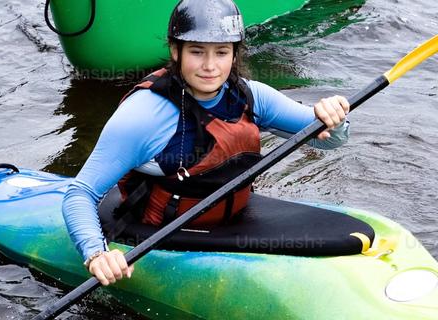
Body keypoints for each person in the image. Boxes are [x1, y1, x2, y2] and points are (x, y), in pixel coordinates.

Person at [62, 0, 350, 286]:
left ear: (234, 54)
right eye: (197, 52)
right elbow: (80, 192)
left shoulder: (250, 97)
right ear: (176, 51)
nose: (210, 66)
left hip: (231, 220)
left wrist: (334, 117)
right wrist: (96, 254)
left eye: (221, 52)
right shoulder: (143, 116)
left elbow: (327, 141)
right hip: (161, 234)